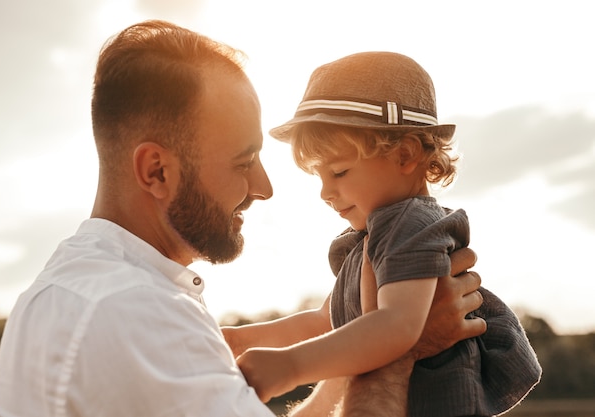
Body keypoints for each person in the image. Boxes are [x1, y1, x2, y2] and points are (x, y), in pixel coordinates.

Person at [0, 21, 485, 417]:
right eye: (242, 161)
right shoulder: (132, 314)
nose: (265, 188)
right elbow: (340, 324)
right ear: (156, 171)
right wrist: (401, 350)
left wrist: (341, 347)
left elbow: (332, 326)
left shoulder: (79, 289)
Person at [228, 52, 541, 416]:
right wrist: (237, 339)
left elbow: (397, 326)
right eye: (319, 176)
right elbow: (322, 322)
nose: (325, 192)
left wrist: (290, 367)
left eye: (340, 172)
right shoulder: (374, 237)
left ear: (405, 154)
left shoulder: (410, 226)